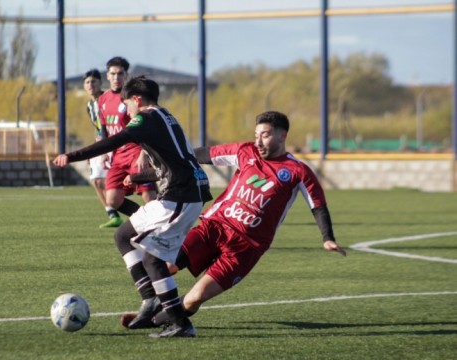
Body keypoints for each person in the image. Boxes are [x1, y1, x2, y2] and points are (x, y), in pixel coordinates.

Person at [127, 110, 347, 330]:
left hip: (246, 248)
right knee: (165, 267)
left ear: (282, 136)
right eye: (256, 135)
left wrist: (327, 237)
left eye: (266, 135)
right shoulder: (245, 151)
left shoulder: (298, 171)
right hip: (213, 228)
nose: (258, 141)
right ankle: (152, 309)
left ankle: (157, 320)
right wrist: (140, 176)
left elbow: (317, 204)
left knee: (196, 297)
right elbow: (191, 159)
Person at [53, 76, 213, 338]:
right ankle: (151, 300)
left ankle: (180, 324)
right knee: (124, 236)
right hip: (185, 193)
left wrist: (71, 155)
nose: (126, 110)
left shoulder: (146, 118)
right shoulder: (166, 116)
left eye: (127, 104)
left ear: (136, 100)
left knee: (152, 258)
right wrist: (139, 177)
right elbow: (173, 162)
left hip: (179, 196)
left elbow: (113, 142)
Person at [96, 56, 157, 228]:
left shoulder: (133, 98)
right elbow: (104, 129)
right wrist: (105, 154)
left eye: (120, 74)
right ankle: (146, 221)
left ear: (126, 75)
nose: (116, 77)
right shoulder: (102, 99)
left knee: (148, 196)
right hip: (118, 155)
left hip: (136, 151)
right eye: (113, 74)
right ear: (107, 76)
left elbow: (144, 125)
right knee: (113, 200)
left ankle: (161, 225)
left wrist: (144, 153)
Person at [82, 69, 115, 220]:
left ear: (101, 82)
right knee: (96, 181)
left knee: (114, 182)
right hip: (102, 144)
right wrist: (93, 150)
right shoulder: (90, 106)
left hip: (113, 142)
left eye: (93, 81)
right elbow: (98, 128)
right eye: (87, 82)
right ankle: (112, 214)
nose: (90, 85)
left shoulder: (107, 99)